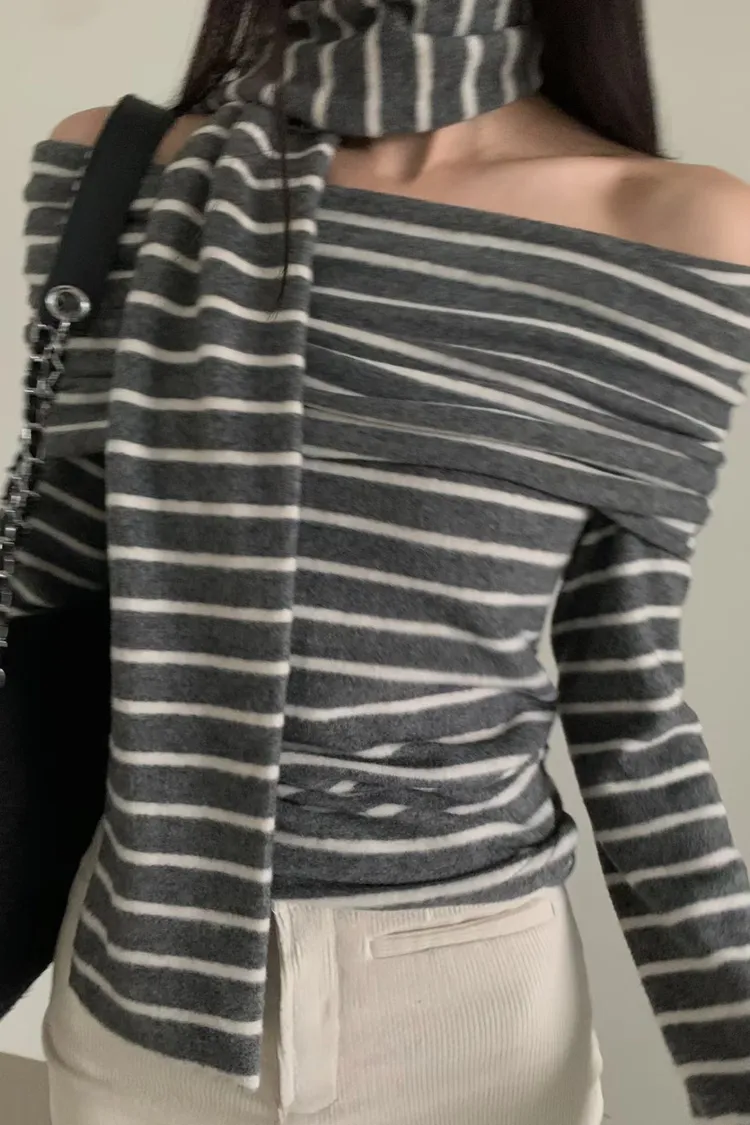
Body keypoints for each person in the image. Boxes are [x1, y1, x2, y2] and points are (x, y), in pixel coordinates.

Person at [15, 0, 750, 1121]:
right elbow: (50, 591)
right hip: (143, 981)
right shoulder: (120, 172)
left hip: (474, 1003)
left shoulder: (671, 227)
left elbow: (631, 699)